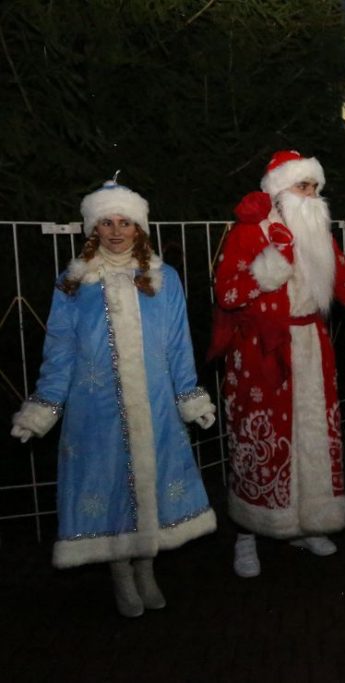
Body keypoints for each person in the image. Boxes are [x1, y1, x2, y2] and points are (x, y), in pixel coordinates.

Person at [210, 150, 345, 578]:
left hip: (311, 348)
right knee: (261, 443)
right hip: (261, 353)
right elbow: (227, 294)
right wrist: (269, 269)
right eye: (302, 186)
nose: (311, 195)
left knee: (311, 440)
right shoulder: (249, 233)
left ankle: (307, 524)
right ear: (278, 192)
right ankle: (247, 532)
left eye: (314, 187)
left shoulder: (320, 238)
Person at [11, 179, 217, 617]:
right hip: (96, 407)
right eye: (107, 222)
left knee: (151, 480)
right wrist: (42, 407)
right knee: (108, 482)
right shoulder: (74, 281)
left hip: (155, 403)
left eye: (125, 222)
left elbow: (179, 344)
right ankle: (120, 570)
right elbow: (60, 348)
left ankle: (146, 566)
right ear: (93, 228)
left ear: (139, 227)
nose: (116, 231)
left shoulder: (164, 278)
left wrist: (190, 397)